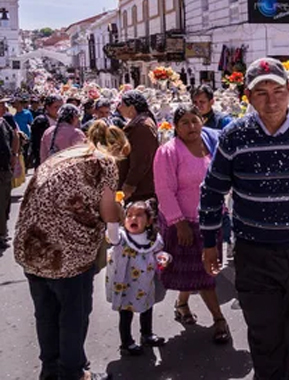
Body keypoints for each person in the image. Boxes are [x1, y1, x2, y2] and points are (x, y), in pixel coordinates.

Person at [200, 58, 289, 380]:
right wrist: (210, 242)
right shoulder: (235, 136)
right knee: (265, 335)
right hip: (255, 253)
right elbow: (212, 191)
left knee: (288, 328)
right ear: (249, 97)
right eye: (261, 92)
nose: (271, 100)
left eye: (278, 90)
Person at [14, 121, 128, 380]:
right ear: (115, 148)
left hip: (31, 248)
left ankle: (50, 369)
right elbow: (109, 211)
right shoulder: (104, 161)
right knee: (72, 316)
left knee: (46, 313)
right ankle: (73, 373)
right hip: (66, 255)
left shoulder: (66, 155)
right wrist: (117, 227)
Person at [154, 105, 230, 344]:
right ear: (176, 127)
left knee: (195, 271)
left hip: (211, 221)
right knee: (204, 273)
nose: (191, 127)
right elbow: (164, 190)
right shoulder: (168, 152)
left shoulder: (211, 146)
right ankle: (219, 319)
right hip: (184, 223)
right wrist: (179, 223)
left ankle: (182, 304)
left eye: (195, 121)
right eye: (185, 123)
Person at [105, 200, 169, 356]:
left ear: (149, 221)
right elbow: (112, 235)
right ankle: (126, 342)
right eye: (129, 215)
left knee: (147, 308)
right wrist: (113, 216)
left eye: (139, 215)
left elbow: (158, 252)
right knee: (126, 313)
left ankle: (147, 334)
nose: (133, 218)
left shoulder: (153, 239)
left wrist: (164, 257)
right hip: (125, 284)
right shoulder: (121, 237)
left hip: (145, 283)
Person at [116, 91, 159, 205]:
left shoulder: (142, 126)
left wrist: (129, 186)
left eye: (122, 104)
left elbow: (141, 161)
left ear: (131, 107)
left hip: (140, 191)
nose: (119, 107)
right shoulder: (139, 123)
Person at [30, 95, 64, 169]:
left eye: (61, 107)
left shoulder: (63, 121)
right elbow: (37, 144)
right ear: (47, 107)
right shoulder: (41, 121)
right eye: (56, 107)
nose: (59, 110)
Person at [0, 113, 15, 249]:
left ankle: (2, 233)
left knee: (4, 202)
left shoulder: (3, 123)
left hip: (3, 169)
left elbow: (14, 137)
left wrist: (14, 155)